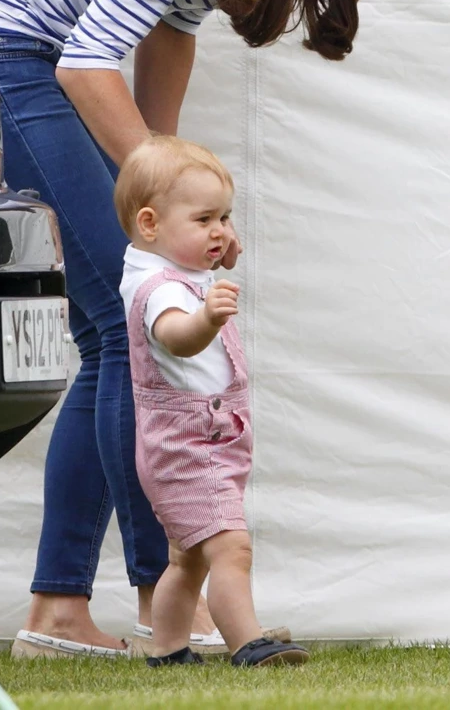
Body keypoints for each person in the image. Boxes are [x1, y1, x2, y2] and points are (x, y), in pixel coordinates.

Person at [0, 0, 450, 658]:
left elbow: (170, 27)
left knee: (114, 335)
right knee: (128, 329)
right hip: (12, 40)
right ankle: (160, 598)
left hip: (53, 45)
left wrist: (168, 167)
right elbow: (86, 60)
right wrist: (161, 182)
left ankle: (62, 609)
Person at [114, 135, 309, 667]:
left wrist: (213, 244)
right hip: (187, 444)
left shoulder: (161, 263)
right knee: (230, 547)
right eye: (206, 220)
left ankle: (169, 649)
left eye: (224, 217)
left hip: (194, 439)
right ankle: (249, 644)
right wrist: (208, 318)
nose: (221, 232)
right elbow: (175, 336)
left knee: (188, 559)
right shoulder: (162, 289)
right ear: (151, 224)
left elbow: (195, 261)